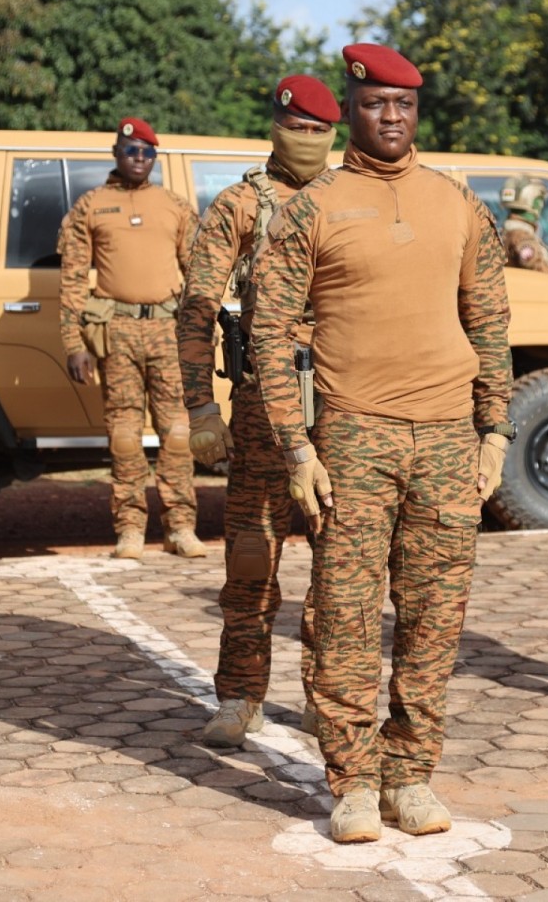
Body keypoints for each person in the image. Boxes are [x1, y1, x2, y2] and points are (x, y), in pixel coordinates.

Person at [251, 44, 512, 843]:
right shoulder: (314, 207)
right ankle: (355, 781)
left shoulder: (457, 202)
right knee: (347, 615)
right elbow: (267, 334)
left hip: (446, 438)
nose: (390, 118)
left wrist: (496, 427)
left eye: (403, 106)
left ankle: (413, 774)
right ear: (352, 112)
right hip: (353, 436)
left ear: (416, 112)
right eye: (375, 106)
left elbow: (491, 322)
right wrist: (298, 449)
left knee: (435, 617)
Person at [177, 75, 341, 747]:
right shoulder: (241, 205)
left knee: (342, 563)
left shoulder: (352, 200)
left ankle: (327, 696)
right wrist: (199, 411)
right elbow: (196, 310)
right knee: (250, 557)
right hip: (260, 406)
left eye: (317, 130)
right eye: (294, 128)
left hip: (343, 405)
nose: (305, 141)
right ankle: (239, 694)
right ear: (274, 128)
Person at [58, 117, 206, 560]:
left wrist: (199, 334)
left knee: (178, 433)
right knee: (123, 435)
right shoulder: (91, 206)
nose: (138, 159)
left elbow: (198, 273)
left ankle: (180, 527)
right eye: (130, 151)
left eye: (146, 152)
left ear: (154, 158)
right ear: (116, 154)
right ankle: (129, 529)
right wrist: (73, 343)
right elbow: (71, 280)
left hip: (167, 329)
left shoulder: (174, 206)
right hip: (116, 332)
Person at [499, 174, 548, 275]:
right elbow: (544, 274)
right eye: (540, 199)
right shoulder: (522, 238)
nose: (541, 204)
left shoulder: (505, 232)